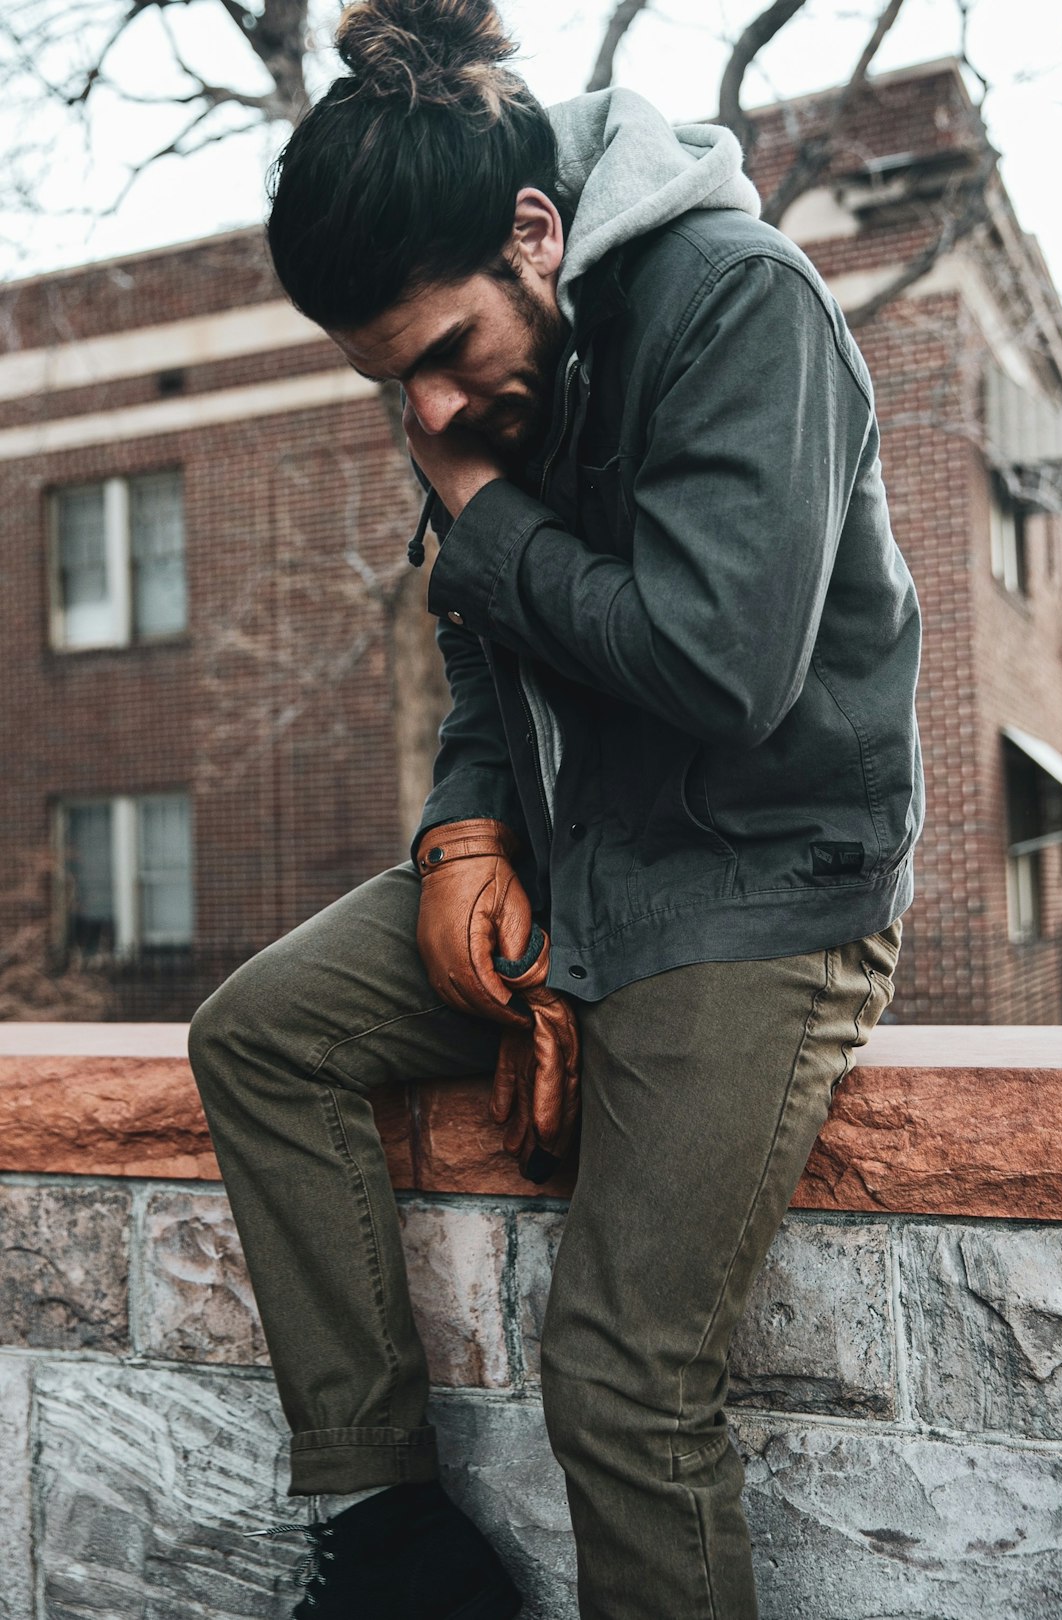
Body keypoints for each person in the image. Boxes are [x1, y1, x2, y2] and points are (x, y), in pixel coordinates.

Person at [187, 0, 924, 1615]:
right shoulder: (479, 383)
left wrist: (483, 523)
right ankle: (390, 1533)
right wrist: (464, 831)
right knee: (258, 1036)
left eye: (448, 356)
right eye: (399, 386)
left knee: (618, 1376)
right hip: (570, 845)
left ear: (540, 232)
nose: (434, 414)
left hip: (759, 877)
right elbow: (484, 642)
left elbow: (724, 664)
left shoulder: (739, 299)